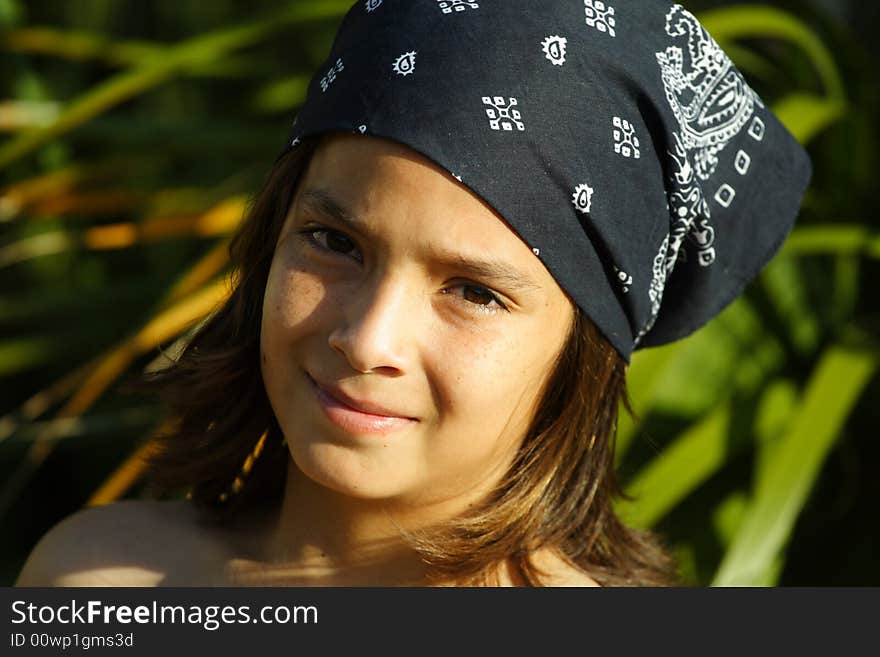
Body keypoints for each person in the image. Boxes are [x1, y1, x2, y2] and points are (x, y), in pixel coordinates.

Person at [16, 0, 810, 587]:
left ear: (582, 352)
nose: (368, 339)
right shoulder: (96, 580)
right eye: (335, 242)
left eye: (473, 291)